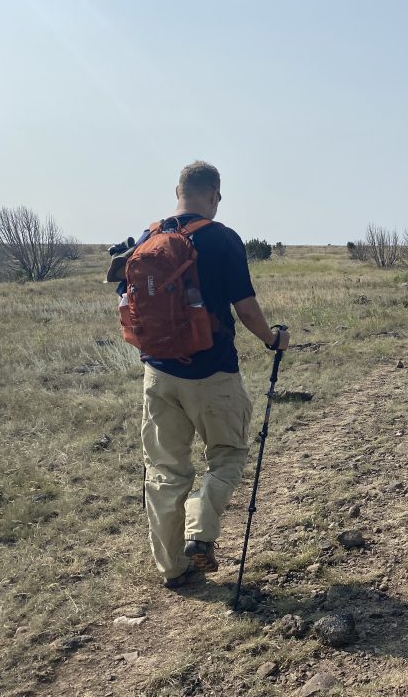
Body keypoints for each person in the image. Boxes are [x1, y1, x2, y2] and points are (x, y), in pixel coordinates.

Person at [119, 161, 290, 589]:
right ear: (214, 194)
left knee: (165, 472)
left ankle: (172, 568)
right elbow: (245, 308)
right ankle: (199, 532)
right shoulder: (222, 238)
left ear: (178, 192)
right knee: (228, 455)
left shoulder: (147, 238)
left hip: (158, 374)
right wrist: (272, 339)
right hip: (213, 373)